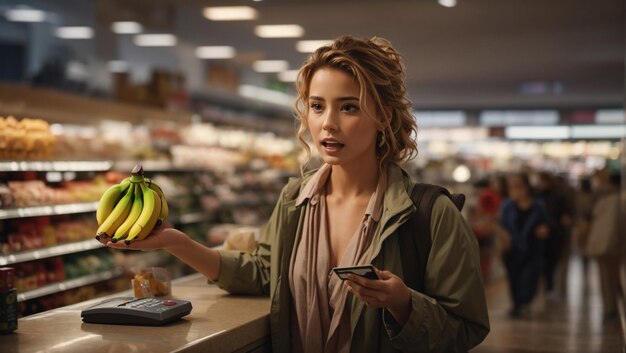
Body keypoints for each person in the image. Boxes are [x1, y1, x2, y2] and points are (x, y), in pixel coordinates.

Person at [107, 36, 490, 352]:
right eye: (317, 106)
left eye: (349, 107)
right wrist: (175, 241)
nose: (328, 124)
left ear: (385, 117)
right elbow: (262, 274)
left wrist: (403, 303)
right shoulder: (295, 201)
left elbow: (467, 328)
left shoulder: (430, 212)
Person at [500, 173, 550, 318]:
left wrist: (543, 229)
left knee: (529, 278)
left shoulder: (538, 206)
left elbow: (546, 224)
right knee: (513, 278)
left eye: (518, 187)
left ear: (526, 187)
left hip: (532, 249)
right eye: (512, 187)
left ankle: (524, 302)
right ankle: (517, 305)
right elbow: (502, 225)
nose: (515, 191)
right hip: (512, 249)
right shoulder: (507, 206)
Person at [585, 169, 621, 322]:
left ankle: (609, 307)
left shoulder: (600, 196)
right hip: (617, 241)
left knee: (606, 276)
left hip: (603, 241)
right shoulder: (617, 195)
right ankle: (612, 307)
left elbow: (589, 216)